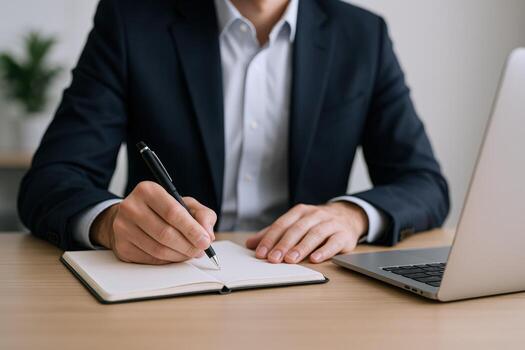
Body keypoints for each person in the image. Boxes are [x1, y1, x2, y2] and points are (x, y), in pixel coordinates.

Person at [18, 0, 449, 265]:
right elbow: (50, 181)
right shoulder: (131, 20)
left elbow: (424, 183)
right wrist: (110, 223)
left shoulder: (361, 35)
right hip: (168, 288)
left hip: (313, 285)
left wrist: (350, 215)